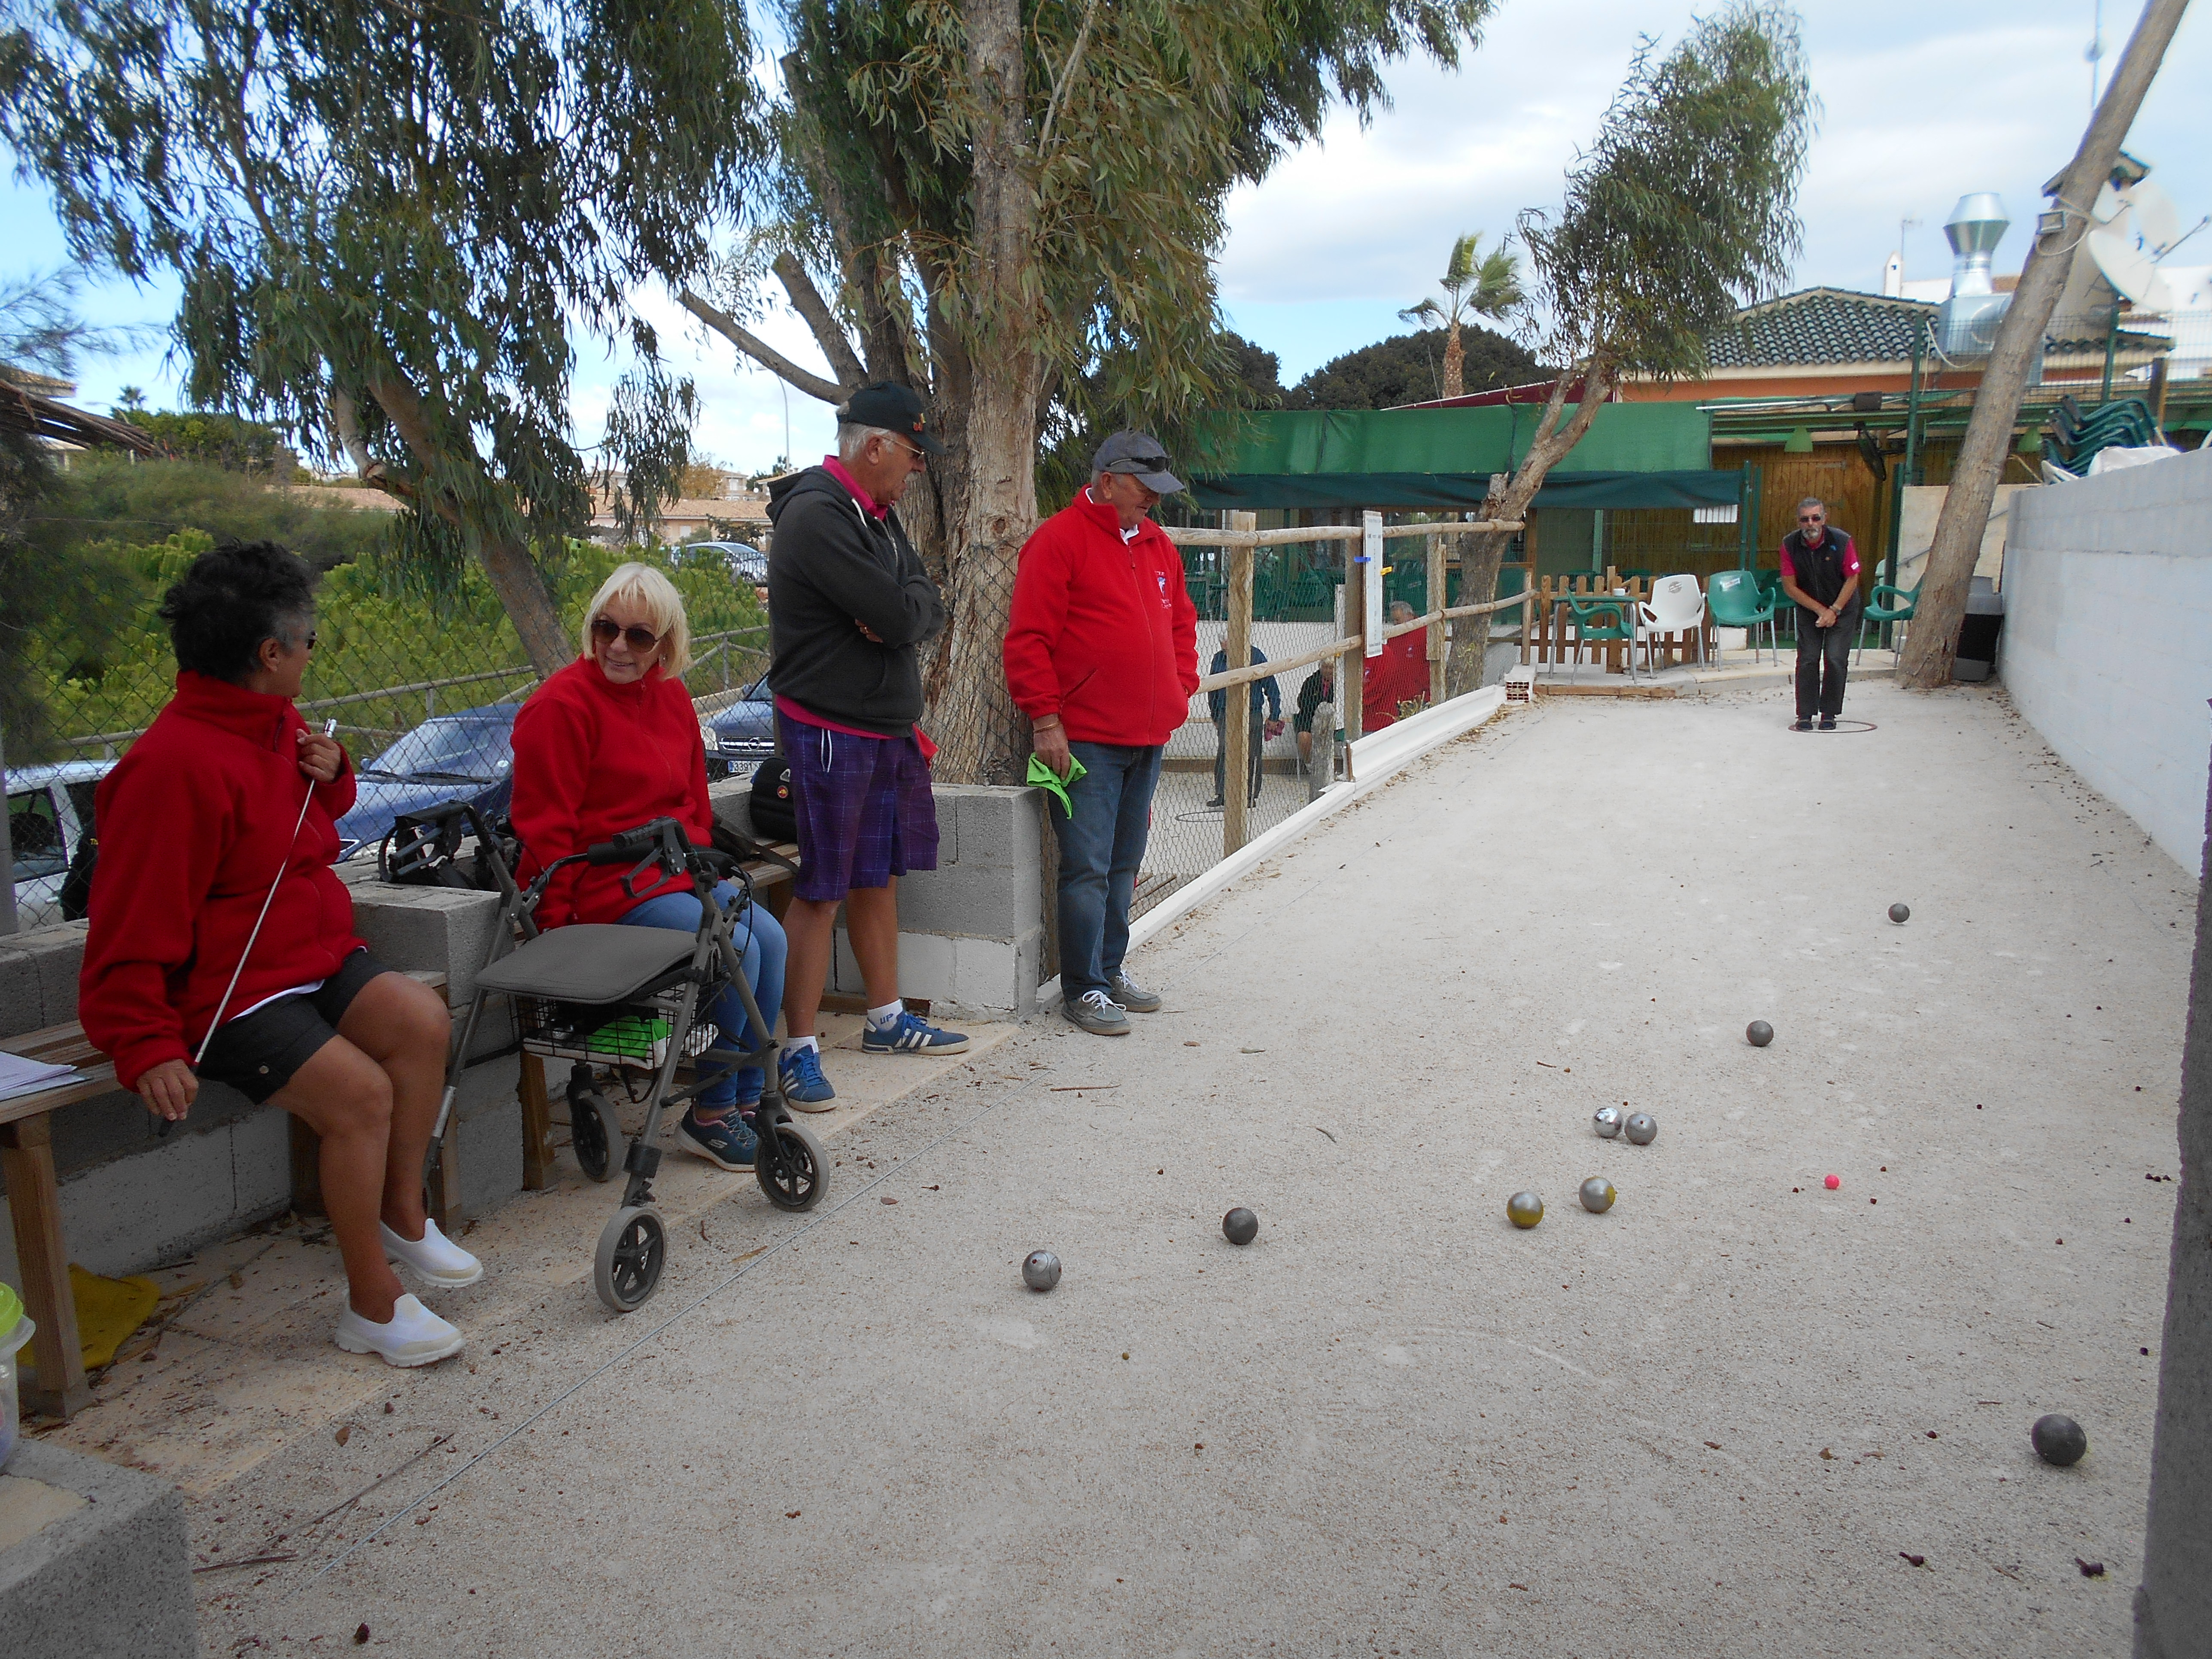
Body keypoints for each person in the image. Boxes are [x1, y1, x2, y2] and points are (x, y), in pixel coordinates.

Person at [79, 540, 474, 1368]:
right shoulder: (169, 768)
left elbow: (311, 819)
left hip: (307, 955)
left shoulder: (277, 719)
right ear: (270, 652)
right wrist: (144, 1039)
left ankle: (402, 1214)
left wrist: (334, 774)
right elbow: (127, 922)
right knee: (360, 1096)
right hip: (225, 993)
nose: (310, 655)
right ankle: (371, 1303)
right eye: (308, 641)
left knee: (421, 1020)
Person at [509, 563, 789, 1173]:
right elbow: (546, 830)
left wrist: (696, 857)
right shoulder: (559, 707)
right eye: (606, 628)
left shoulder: (670, 696)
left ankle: (746, 1097)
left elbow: (692, 802)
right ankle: (711, 1112)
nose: (618, 646)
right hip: (605, 889)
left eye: (638, 636)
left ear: (664, 644)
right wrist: (557, 931)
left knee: (770, 936)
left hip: (672, 874)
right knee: (735, 946)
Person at [766, 381, 969, 1103]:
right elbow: (899, 610)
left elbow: (924, 604)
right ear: (876, 446)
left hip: (883, 727)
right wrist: (899, 611)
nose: (919, 468)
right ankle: (797, 1048)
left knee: (877, 875)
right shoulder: (817, 513)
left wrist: (901, 610)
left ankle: (885, 1017)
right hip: (830, 728)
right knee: (822, 888)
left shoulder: (875, 516)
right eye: (914, 454)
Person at [1004, 430, 1200, 1037]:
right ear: (1108, 481)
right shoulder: (1058, 541)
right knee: (1088, 865)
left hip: (1148, 736)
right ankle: (1083, 986)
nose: (1154, 500)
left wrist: (1179, 686)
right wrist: (1046, 719)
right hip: (1085, 737)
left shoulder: (1158, 545)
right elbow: (1028, 639)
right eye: (1145, 488)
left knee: (1123, 863)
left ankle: (1110, 971)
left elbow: (1182, 624)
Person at [1778, 495, 1862, 731]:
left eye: (1816, 518)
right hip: (1810, 608)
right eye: (1805, 520)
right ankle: (1805, 714)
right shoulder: (1789, 545)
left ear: (1825, 519)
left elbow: (1853, 578)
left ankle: (1829, 713)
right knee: (1808, 658)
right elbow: (1790, 587)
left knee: (1835, 658)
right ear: (1798, 522)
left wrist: (1834, 610)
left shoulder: (1842, 541)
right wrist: (1820, 610)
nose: (1811, 524)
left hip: (1843, 606)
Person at [1206, 643, 1282, 809]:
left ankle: (1249, 795)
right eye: (1223, 645)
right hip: (1226, 713)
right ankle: (1223, 794)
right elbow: (1212, 689)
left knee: (1252, 754)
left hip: (1252, 711)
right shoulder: (1219, 658)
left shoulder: (1256, 656)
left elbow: (1271, 686)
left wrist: (1274, 715)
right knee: (1224, 752)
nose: (1225, 647)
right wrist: (1215, 714)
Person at [1361, 599, 1430, 733]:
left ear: (1410, 616)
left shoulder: (1424, 633)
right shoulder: (1394, 635)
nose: (1396, 624)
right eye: (1394, 621)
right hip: (1398, 697)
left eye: (1398, 620)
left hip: (1419, 695)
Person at [1293, 659, 1337, 772]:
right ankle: (1311, 766)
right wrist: (1320, 708)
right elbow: (1302, 702)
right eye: (1326, 667)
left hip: (1332, 722)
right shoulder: (1311, 682)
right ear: (1320, 668)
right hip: (1310, 719)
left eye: (1331, 668)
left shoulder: (1339, 683)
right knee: (1304, 737)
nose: (1329, 671)